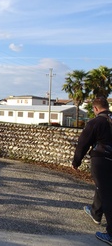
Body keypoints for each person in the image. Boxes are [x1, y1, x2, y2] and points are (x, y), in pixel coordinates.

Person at [72, 97, 112, 245]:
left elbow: (83, 144)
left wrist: (76, 162)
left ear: (95, 109)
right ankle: (95, 213)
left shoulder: (95, 123)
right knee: (103, 188)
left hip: (102, 160)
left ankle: (111, 234)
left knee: (107, 194)